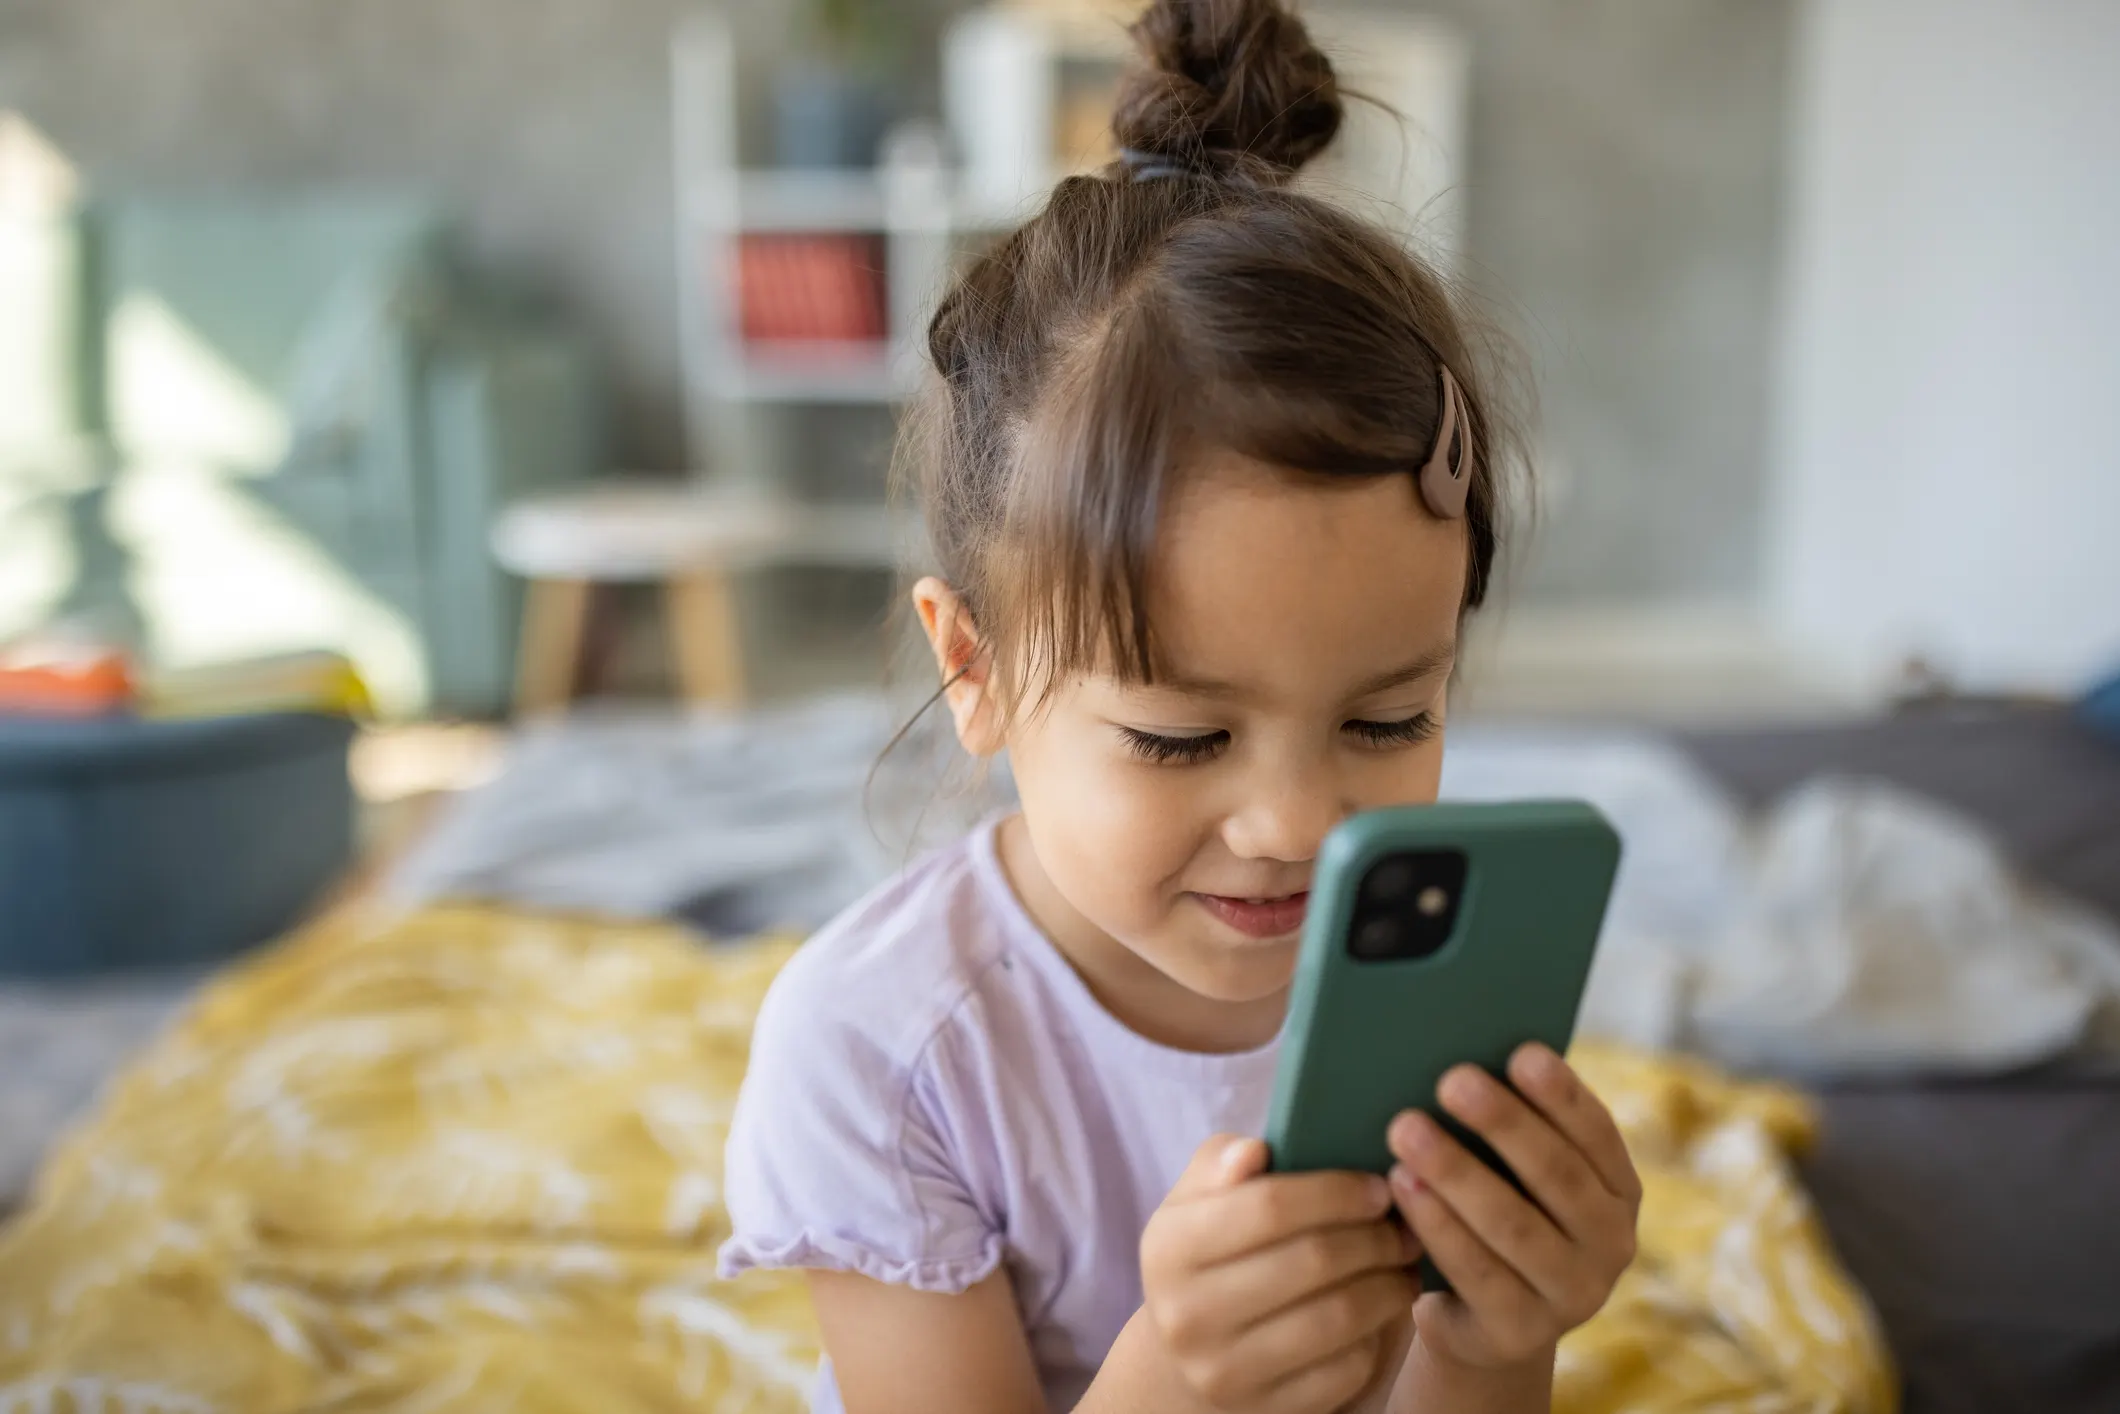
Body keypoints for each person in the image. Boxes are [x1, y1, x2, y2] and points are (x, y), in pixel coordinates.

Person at [719, 1, 1641, 1408]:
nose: (1293, 824)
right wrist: (1179, 1377)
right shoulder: (879, 1051)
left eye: (1388, 720)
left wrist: (1496, 1338)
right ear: (973, 669)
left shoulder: (1434, 997)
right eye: (1181, 737)